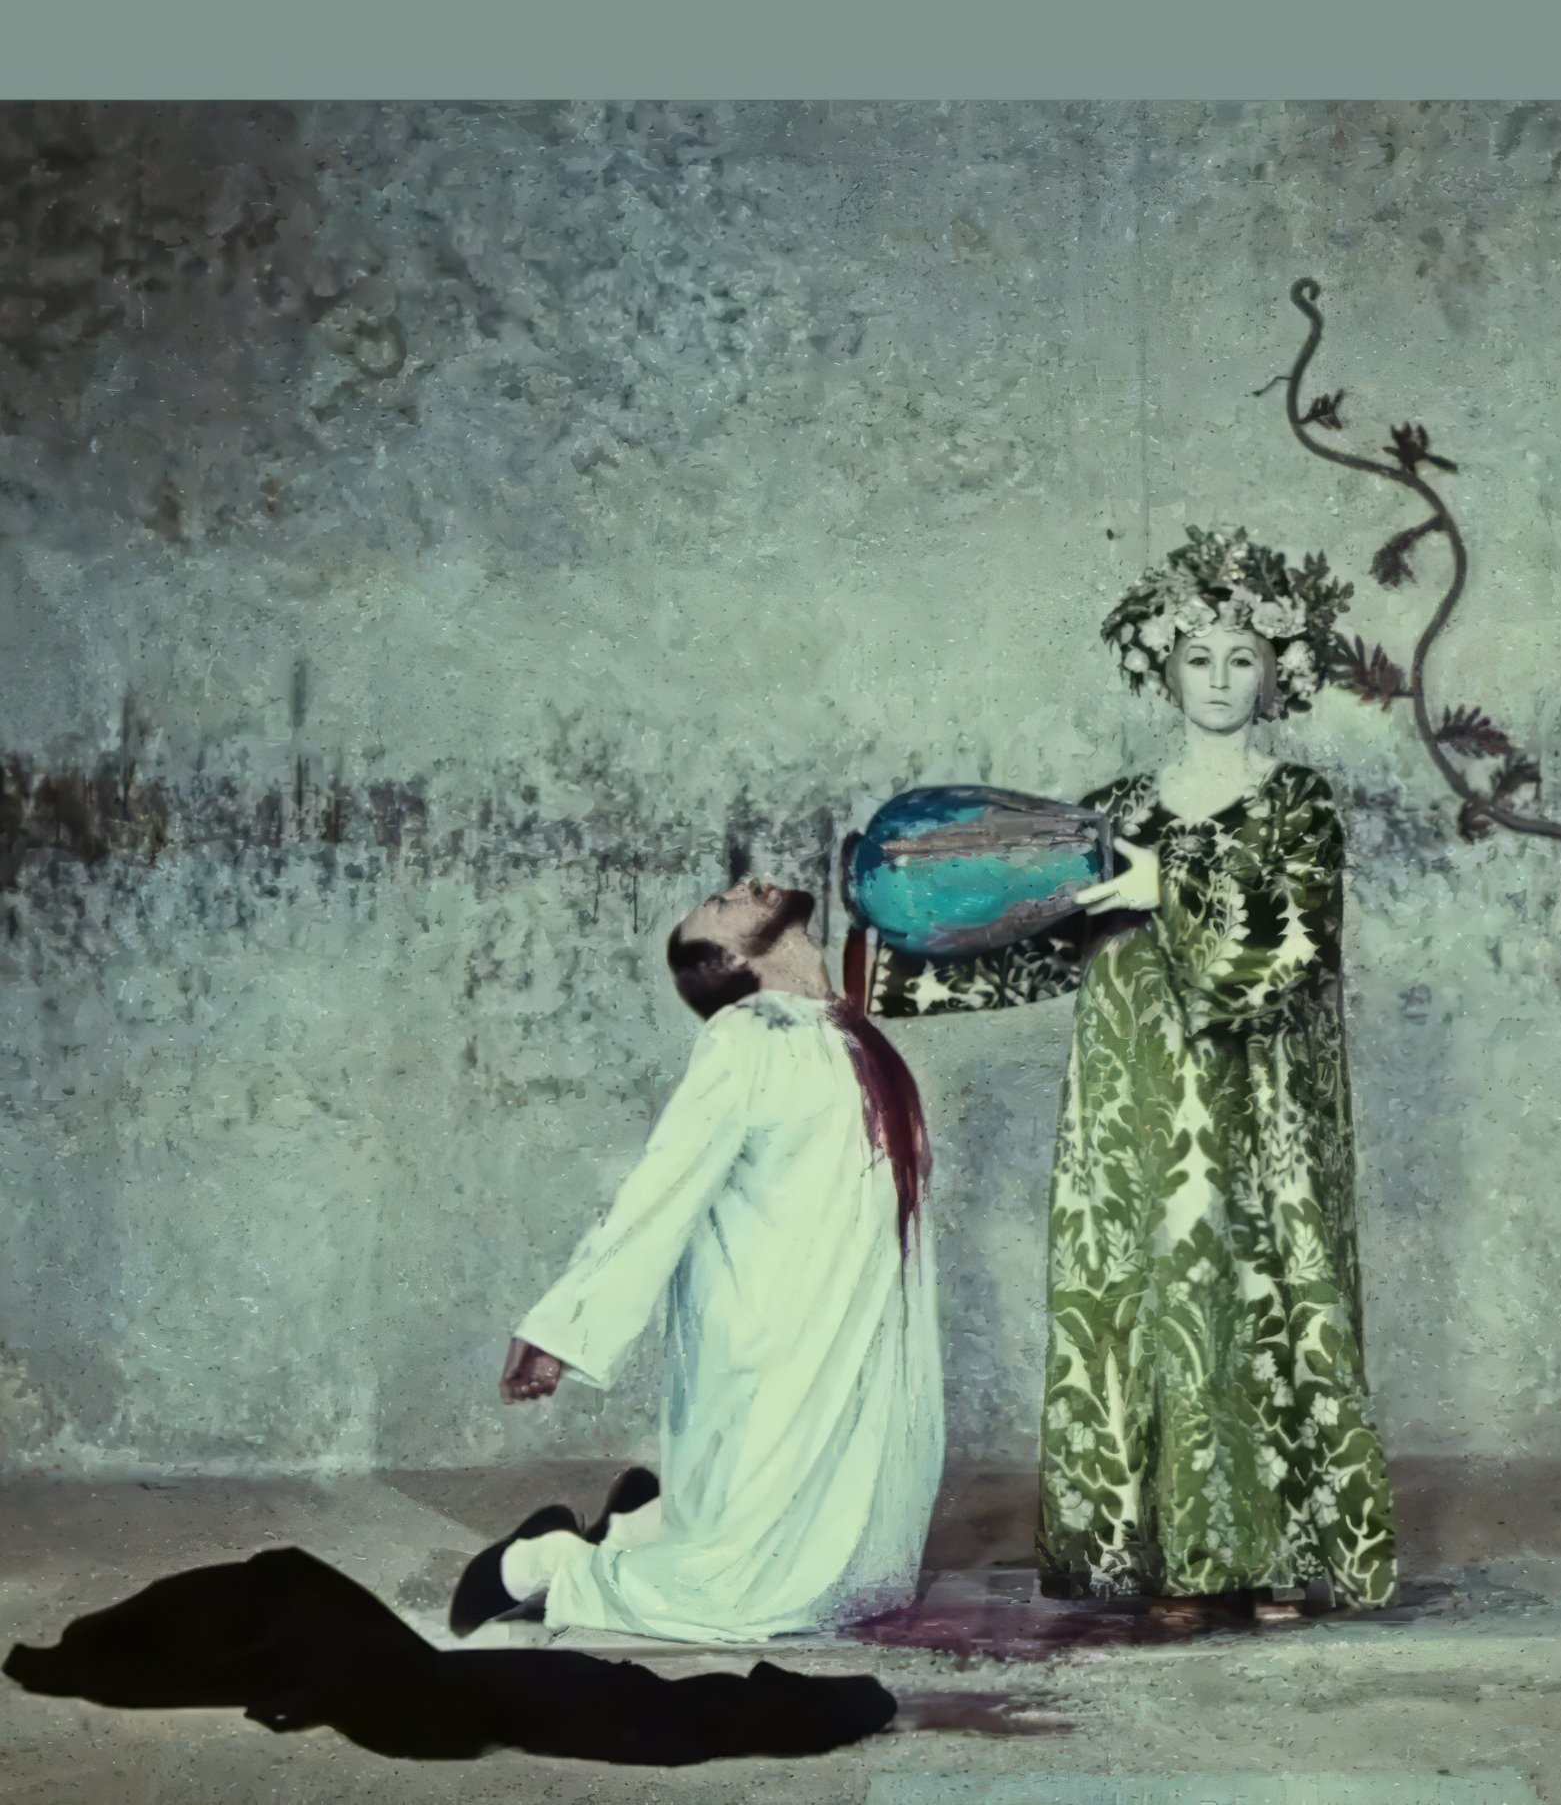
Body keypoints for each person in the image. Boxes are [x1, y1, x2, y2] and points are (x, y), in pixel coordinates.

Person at [869, 529, 1396, 1626]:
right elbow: (1034, 933)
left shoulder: (1300, 803)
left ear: (1278, 674)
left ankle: (1274, 1554)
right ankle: (1169, 1561)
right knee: (1148, 1298)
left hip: (1262, 1093)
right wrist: (899, 931)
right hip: (1135, 1088)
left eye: (1242, 658)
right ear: (1163, 669)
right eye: (1198, 658)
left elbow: (1302, 941)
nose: (1219, 680)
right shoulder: (1110, 812)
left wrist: (1174, 888)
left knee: (1258, 1293)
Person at [452, 878, 943, 1650]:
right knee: (747, 1601)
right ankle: (538, 1563)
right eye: (721, 905)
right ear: (732, 960)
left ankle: (640, 1524)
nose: (741, 886)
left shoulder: (854, 1035)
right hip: (770, 1336)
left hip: (857, 1342)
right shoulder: (746, 1037)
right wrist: (563, 1325)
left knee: (858, 1579)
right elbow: (664, 1188)